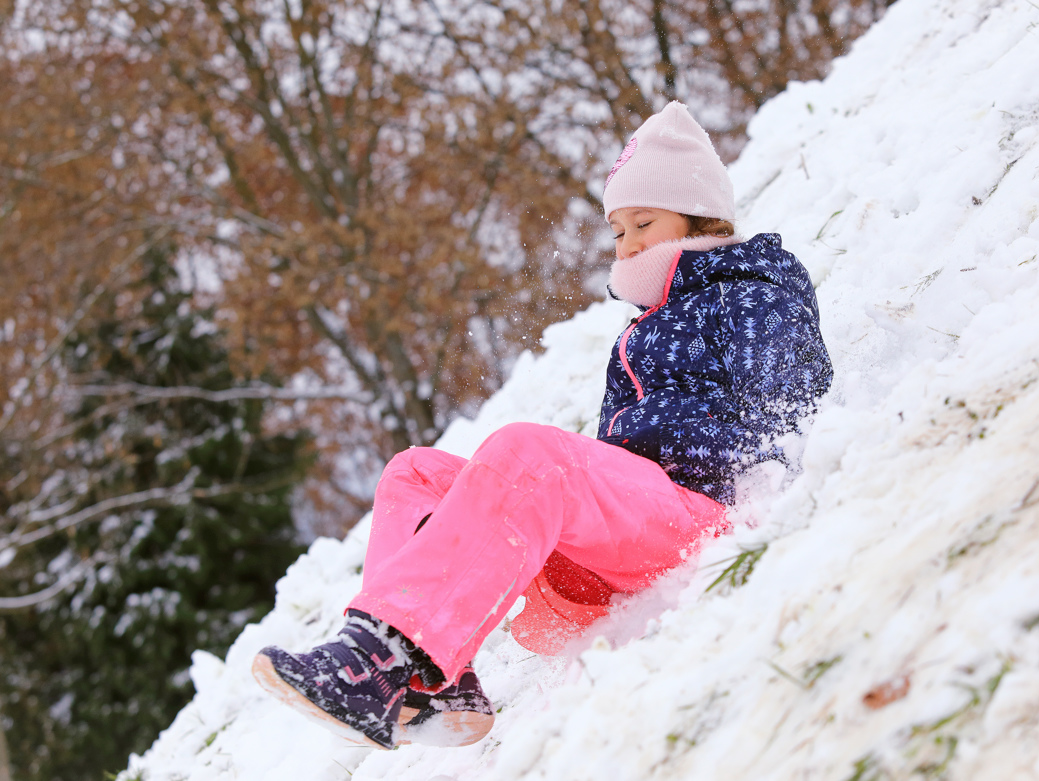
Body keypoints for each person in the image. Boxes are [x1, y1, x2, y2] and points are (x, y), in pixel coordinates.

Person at [252, 101, 833, 750]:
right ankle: (434, 682)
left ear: (698, 215)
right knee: (416, 471)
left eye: (644, 221)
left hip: (701, 519)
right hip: (625, 539)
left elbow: (786, 405)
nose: (629, 242)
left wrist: (735, 488)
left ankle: (383, 660)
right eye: (618, 230)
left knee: (531, 451)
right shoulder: (640, 332)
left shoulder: (754, 288)